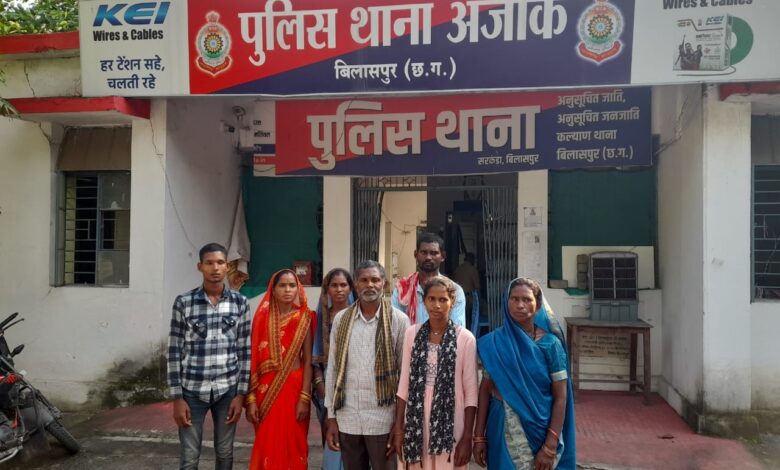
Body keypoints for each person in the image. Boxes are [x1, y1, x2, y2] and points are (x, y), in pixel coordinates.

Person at [473, 278, 576, 469]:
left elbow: (561, 397)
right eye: (514, 299)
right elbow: (485, 390)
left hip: (540, 430)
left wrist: (550, 444)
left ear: (538, 307)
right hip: (501, 425)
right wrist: (479, 436)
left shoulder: (551, 345)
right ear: (507, 303)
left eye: (527, 299)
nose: (520, 305)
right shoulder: (494, 343)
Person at [167, 242, 250, 470]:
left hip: (227, 390)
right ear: (200, 266)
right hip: (191, 391)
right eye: (209, 263)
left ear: (227, 266)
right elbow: (174, 351)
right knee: (189, 456)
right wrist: (177, 398)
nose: (215, 268)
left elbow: (244, 350)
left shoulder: (240, 303)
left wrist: (240, 394)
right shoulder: (184, 302)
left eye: (220, 262)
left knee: (225, 453)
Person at [324, 260, 410, 470]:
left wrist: (399, 423)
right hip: (348, 417)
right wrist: (331, 417)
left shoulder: (399, 320)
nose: (370, 285)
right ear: (356, 284)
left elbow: (405, 376)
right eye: (364, 280)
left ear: (384, 284)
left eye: (375, 280)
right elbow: (333, 369)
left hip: (383, 419)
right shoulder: (341, 320)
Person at [390, 276, 479, 469]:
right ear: (424, 301)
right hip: (415, 419)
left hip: (451, 420)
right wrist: (398, 428)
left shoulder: (465, 339)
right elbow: (404, 384)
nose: (437, 305)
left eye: (443, 299)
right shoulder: (412, 334)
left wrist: (467, 437)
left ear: (452, 302)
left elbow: (471, 393)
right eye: (431, 299)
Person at [245, 269, 315, 469]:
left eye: (292, 285)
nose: (287, 290)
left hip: (294, 388)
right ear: (273, 290)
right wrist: (251, 399)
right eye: (282, 285)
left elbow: (308, 360)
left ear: (298, 289)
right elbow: (252, 359)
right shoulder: (261, 319)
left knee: (294, 441)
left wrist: (304, 397)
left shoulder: (305, 317)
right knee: (267, 442)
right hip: (265, 390)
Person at [313, 268, 356, 470]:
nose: (339, 289)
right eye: (334, 285)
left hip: (354, 384)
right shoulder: (321, 317)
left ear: (350, 288)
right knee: (331, 434)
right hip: (326, 384)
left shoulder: (358, 315)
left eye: (343, 285)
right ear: (327, 289)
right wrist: (321, 386)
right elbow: (315, 356)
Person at [392, 233, 467, 327]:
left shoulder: (454, 291)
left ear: (443, 256)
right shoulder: (402, 289)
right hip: (408, 336)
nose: (428, 257)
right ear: (416, 255)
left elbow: (456, 329)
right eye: (424, 252)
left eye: (434, 253)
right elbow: (395, 326)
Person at [453, 253, 480, 329]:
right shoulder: (473, 270)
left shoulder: (458, 269)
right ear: (472, 260)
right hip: (469, 298)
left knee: (459, 317)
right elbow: (477, 286)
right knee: (469, 318)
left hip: (457, 297)